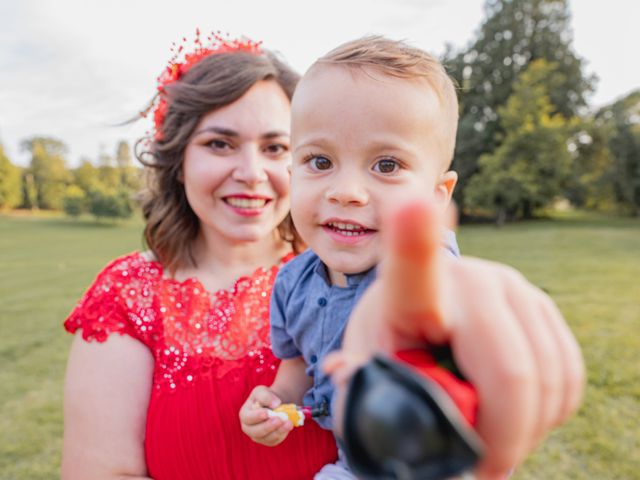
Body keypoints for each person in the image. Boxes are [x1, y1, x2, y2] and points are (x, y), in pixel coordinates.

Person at [239, 36, 584, 480]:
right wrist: (276, 401)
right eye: (320, 160)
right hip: (349, 461)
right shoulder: (290, 282)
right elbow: (295, 369)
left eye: (386, 165)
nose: (345, 191)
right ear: (292, 175)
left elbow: (444, 304)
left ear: (438, 196)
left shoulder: (422, 282)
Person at [61, 33, 339, 480]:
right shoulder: (129, 296)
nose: (251, 173)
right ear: (179, 159)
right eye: (220, 144)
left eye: (274, 148)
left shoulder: (340, 275)